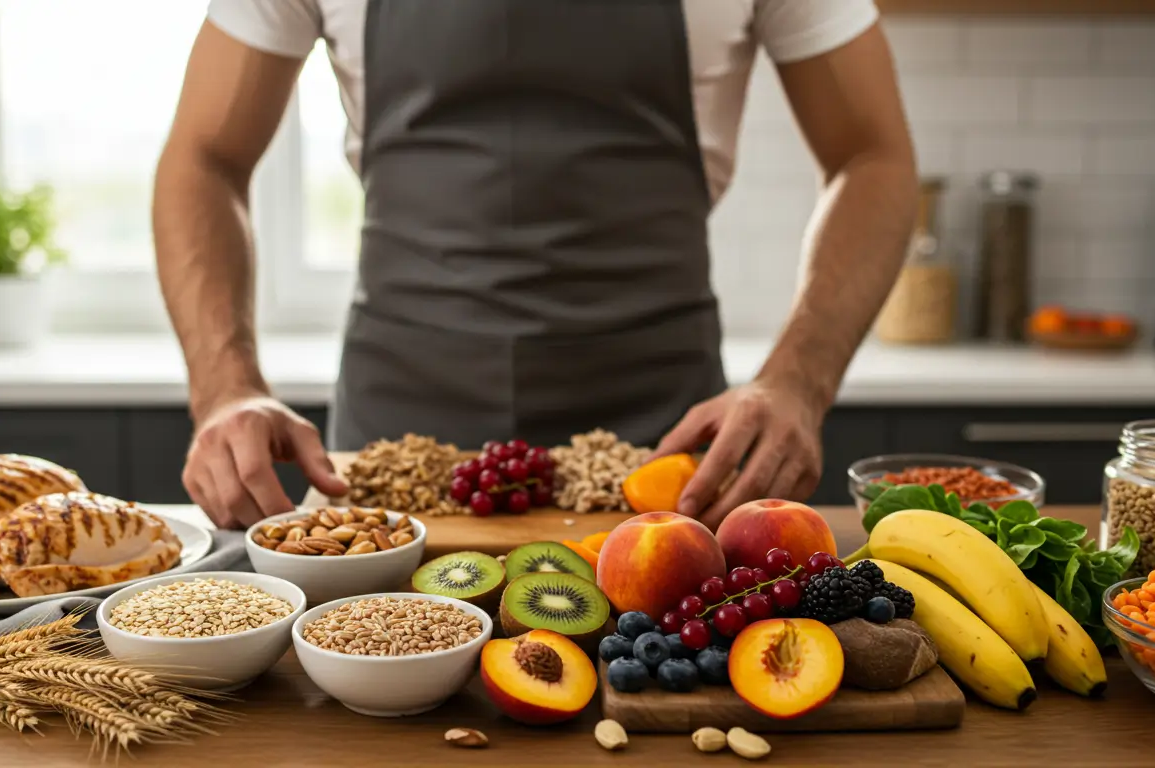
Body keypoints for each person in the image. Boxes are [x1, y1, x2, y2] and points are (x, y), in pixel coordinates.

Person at [154, 0, 918, 532]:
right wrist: (225, 389)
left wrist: (797, 382)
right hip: (397, 445)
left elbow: (872, 156)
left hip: (666, 448)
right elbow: (205, 159)